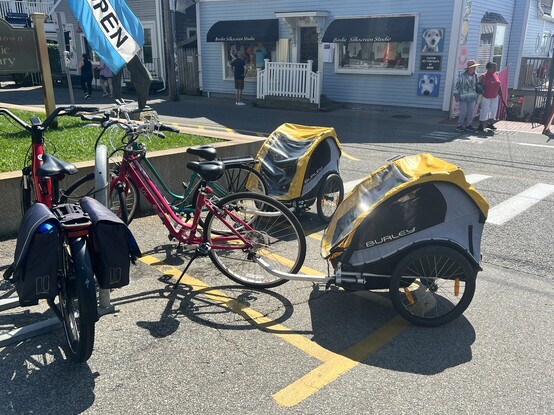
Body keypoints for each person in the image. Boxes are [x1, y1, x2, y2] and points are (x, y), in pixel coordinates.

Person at [453, 59, 481, 131]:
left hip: (472, 96)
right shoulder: (462, 75)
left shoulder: (476, 75)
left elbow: (477, 85)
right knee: (463, 111)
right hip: (463, 96)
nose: (474, 68)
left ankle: (469, 125)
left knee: (471, 111)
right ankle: (459, 125)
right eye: (473, 67)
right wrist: (456, 95)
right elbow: (457, 86)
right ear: (469, 68)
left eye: (475, 67)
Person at [477, 62, 503, 132]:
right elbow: (478, 84)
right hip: (486, 96)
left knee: (493, 110)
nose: (495, 69)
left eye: (495, 68)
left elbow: (499, 84)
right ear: (488, 68)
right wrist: (481, 90)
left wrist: (501, 92)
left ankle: (490, 123)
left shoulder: (496, 74)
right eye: (493, 68)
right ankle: (481, 125)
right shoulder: (483, 76)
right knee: (484, 110)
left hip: (495, 96)